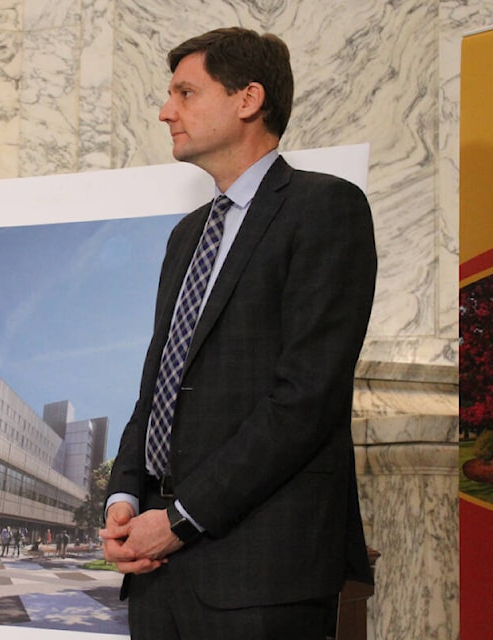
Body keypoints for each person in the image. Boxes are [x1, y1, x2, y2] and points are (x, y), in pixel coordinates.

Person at [100, 27, 377, 640]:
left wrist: (181, 517)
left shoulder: (325, 208)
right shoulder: (186, 237)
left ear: (248, 99)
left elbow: (306, 398)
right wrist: (124, 499)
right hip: (155, 569)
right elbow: (158, 388)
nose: (166, 111)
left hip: (260, 574)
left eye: (186, 93)